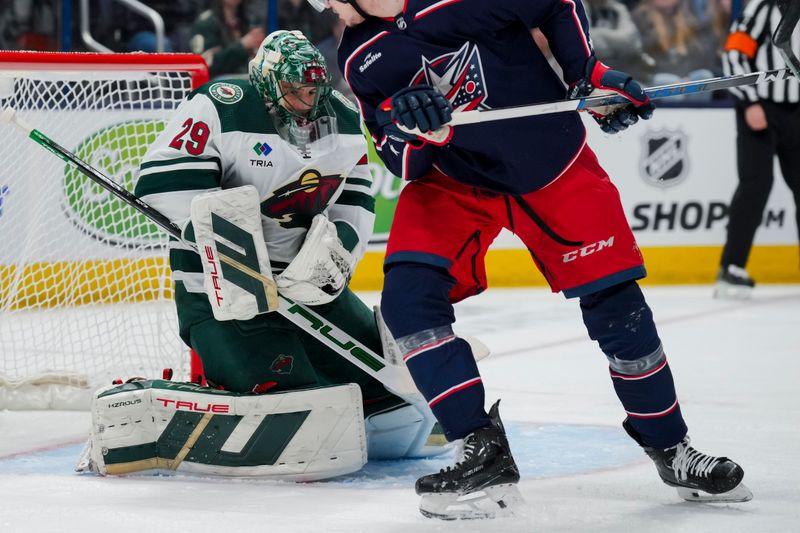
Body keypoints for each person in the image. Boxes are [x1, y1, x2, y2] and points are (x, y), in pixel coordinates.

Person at [307, 0, 753, 520]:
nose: (329, 9)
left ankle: (672, 447)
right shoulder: (359, 53)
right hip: (455, 181)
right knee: (408, 304)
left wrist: (586, 70)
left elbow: (556, 4)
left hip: (550, 163)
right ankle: (480, 448)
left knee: (619, 313)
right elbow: (399, 159)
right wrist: (411, 128)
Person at [76, 30, 448, 479]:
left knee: (386, 388)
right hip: (222, 292)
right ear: (269, 84)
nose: (307, 100)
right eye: (295, 90)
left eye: (314, 88)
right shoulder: (221, 104)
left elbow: (356, 195)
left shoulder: (345, 116)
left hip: (308, 287)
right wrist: (232, 253)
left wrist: (337, 255)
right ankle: (169, 403)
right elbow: (161, 183)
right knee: (292, 390)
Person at [716, 0, 800, 297]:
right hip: (760, 107)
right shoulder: (761, 7)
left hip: (797, 111)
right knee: (756, 185)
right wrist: (749, 100)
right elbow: (734, 54)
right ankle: (731, 268)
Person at [189, 0, 266, 78]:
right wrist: (242, 45)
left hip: (245, 78)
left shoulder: (249, 19)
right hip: (216, 83)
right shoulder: (205, 23)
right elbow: (205, 64)